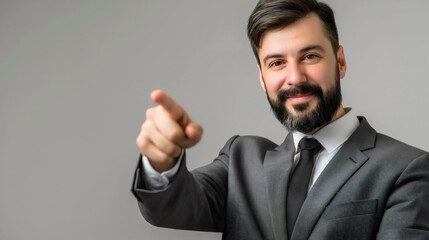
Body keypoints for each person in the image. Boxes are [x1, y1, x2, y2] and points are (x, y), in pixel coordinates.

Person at [131, 0, 429, 239]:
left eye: (310, 56)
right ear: (262, 77)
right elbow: (171, 209)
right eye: (276, 63)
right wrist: (162, 163)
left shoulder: (407, 168)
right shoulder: (240, 160)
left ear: (340, 61)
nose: (295, 78)